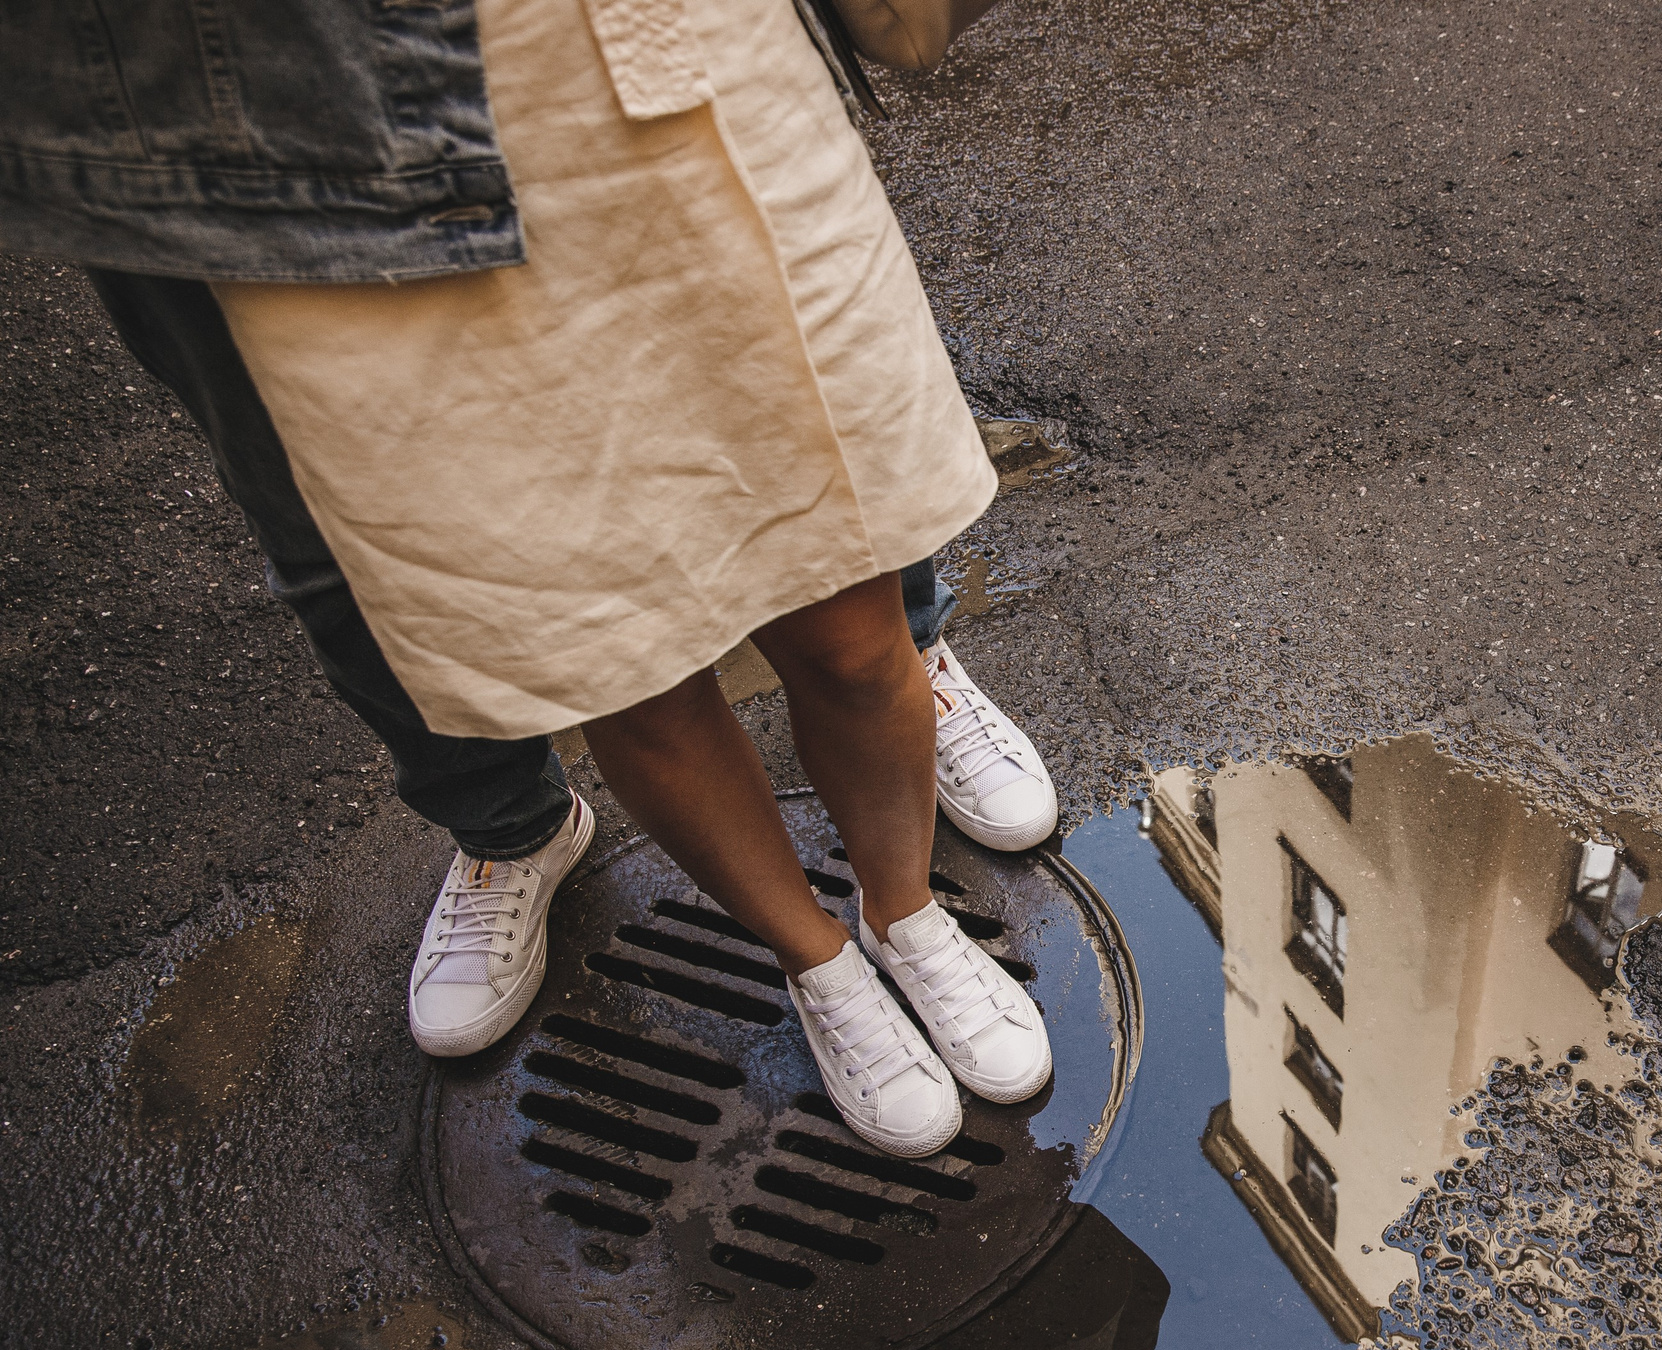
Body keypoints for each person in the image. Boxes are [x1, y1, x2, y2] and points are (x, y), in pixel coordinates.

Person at [1, 0, 1055, 1158]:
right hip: (316, 138)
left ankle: (904, 913)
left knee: (854, 621)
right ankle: (817, 960)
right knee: (618, 654)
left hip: (654, 64)